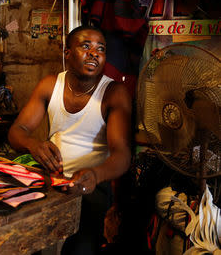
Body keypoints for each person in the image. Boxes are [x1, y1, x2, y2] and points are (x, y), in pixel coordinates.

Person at [8, 25, 132, 254]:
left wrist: (94, 175)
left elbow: (122, 155)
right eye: (86, 46)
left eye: (100, 49)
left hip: (91, 186)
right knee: (23, 239)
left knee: (80, 249)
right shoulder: (50, 84)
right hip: (53, 180)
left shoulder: (114, 93)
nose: (94, 53)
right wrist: (33, 144)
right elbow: (17, 131)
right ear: (67, 53)